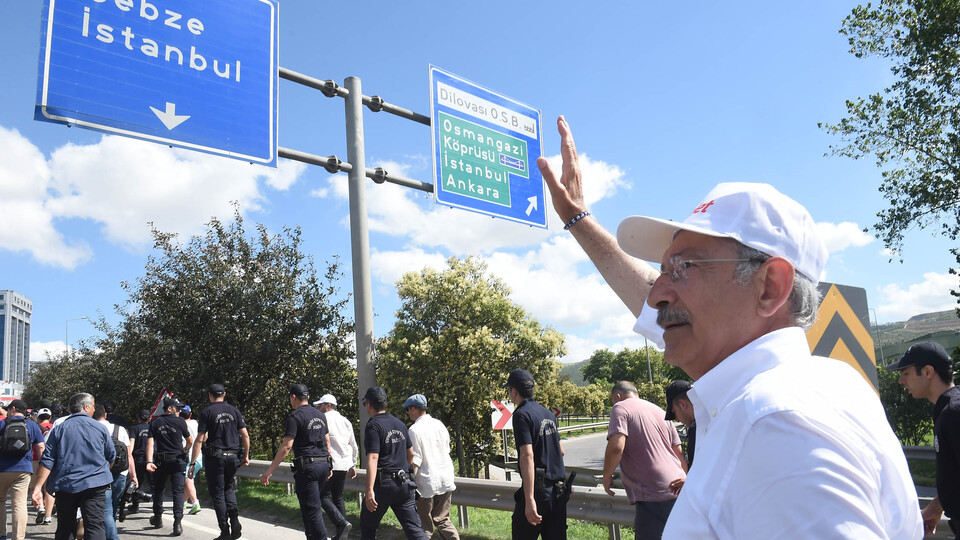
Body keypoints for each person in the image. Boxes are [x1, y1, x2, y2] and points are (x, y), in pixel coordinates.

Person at [537, 116, 922, 538]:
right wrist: (577, 219)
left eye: (683, 267)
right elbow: (649, 296)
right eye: (663, 270)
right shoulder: (819, 384)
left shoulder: (779, 423)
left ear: (769, 286)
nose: (657, 293)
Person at [885, 342, 959, 537]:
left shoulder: (953, 413)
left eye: (906, 373)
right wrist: (936, 506)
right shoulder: (948, 410)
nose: (901, 381)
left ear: (927, 372)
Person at [261, 384, 349, 540]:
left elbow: (287, 446)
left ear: (293, 397)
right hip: (323, 464)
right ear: (307, 397)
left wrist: (270, 470)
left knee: (313, 510)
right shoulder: (321, 416)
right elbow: (326, 441)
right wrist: (328, 464)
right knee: (308, 508)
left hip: (308, 468)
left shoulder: (294, 417)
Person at [602, 381, 685, 540]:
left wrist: (607, 476)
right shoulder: (660, 411)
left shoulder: (620, 407)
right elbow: (679, 452)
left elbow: (616, 447)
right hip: (679, 486)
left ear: (617, 396)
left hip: (653, 491)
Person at [31, 392, 115, 540]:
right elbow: (111, 456)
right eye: (93, 406)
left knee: (65, 527)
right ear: (86, 407)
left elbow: (48, 460)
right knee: (95, 526)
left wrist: (38, 488)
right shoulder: (100, 428)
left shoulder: (59, 429)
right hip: (95, 485)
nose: (94, 410)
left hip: (66, 485)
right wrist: (101, 472)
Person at [504, 369, 570, 539]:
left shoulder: (521, 415)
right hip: (558, 491)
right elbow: (560, 451)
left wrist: (530, 498)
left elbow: (527, 456)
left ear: (514, 391)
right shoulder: (548, 413)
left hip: (539, 492)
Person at [360, 386, 428, 540]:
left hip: (383, 485)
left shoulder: (373, 425)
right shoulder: (400, 423)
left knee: (368, 528)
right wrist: (405, 470)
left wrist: (369, 490)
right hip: (403, 485)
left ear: (369, 404)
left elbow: (373, 458)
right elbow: (410, 454)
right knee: (415, 530)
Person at [189, 383, 250, 540]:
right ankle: (235, 520)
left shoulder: (206, 412)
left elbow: (200, 439)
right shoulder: (234, 411)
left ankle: (225, 530)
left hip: (216, 458)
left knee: (217, 494)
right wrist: (245, 456)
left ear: (210, 395)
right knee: (228, 489)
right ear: (224, 394)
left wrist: (192, 462)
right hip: (233, 457)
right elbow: (245, 435)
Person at [403, 393, 459, 540]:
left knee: (425, 526)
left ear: (414, 409)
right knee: (443, 519)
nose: (407, 413)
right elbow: (447, 449)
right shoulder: (439, 424)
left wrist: (411, 483)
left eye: (407, 410)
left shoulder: (414, 430)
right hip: (445, 477)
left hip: (427, 482)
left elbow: (416, 459)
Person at [146, 397, 192, 536]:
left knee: (159, 490)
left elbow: (150, 444)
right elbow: (190, 441)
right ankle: (177, 523)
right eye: (177, 408)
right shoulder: (180, 422)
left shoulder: (155, 422)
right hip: (178, 460)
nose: (179, 410)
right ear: (169, 408)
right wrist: (184, 450)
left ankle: (158, 518)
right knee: (177, 492)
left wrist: (149, 461)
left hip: (161, 461)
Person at [0, 399, 45, 540]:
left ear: (13, 409)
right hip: (24, 470)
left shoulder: (1, 424)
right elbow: (41, 447)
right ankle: (18, 537)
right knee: (19, 504)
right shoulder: (31, 425)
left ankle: (1, 534)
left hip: (2, 469)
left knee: (0, 501)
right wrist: (42, 467)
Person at [314, 394, 357, 536]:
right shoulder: (345, 421)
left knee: (322, 496)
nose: (318, 408)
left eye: (320, 405)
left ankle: (342, 523)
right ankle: (342, 533)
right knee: (338, 496)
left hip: (329, 464)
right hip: (344, 465)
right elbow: (353, 444)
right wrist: (353, 464)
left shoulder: (323, 419)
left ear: (328, 405)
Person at [93, 405, 135, 540]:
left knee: (104, 508)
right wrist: (133, 475)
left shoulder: (91, 428)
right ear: (105, 415)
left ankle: (109, 536)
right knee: (112, 506)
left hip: (99, 473)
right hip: (120, 473)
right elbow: (129, 454)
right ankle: (108, 532)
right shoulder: (120, 429)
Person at [663, 380, 695, 469]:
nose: (677, 419)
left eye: (674, 413)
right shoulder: (713, 420)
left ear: (682, 404)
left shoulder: (695, 429)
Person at [127, 408, 152, 514]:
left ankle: (135, 505)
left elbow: (131, 444)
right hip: (151, 460)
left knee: (136, 483)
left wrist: (129, 455)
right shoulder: (152, 428)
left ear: (138, 418)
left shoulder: (134, 428)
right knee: (154, 483)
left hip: (139, 459)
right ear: (149, 418)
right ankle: (156, 508)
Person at [180, 404, 201, 515]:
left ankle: (195, 503)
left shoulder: (180, 425)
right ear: (190, 414)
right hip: (199, 455)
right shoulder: (195, 423)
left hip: (188, 455)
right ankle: (183, 502)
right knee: (188, 480)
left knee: (188, 479)